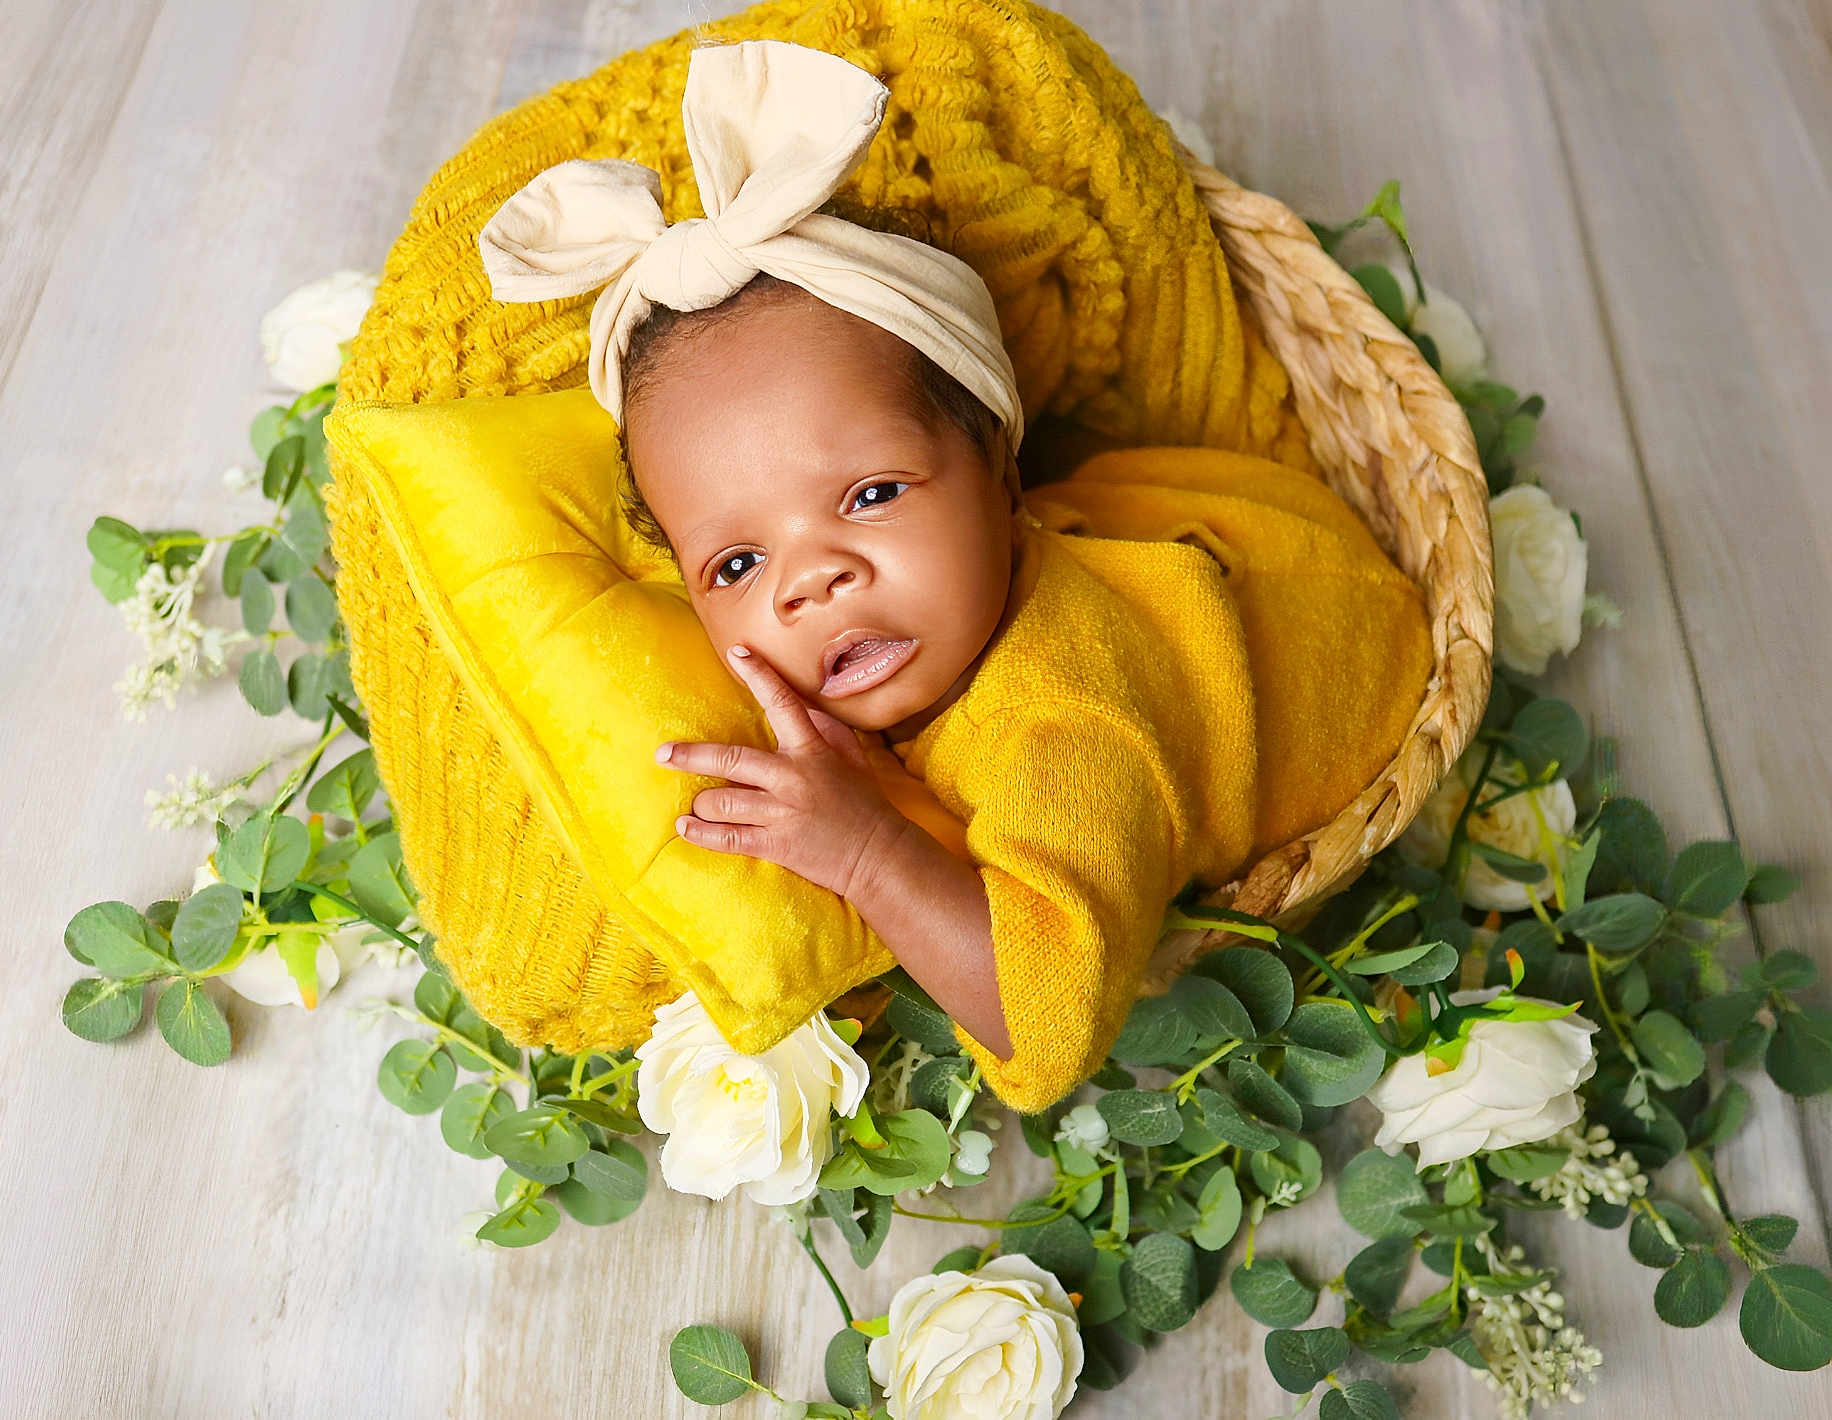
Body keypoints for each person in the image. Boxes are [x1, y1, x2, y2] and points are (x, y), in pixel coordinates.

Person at [479, 37, 1432, 1112]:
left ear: (1000, 465)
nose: (816, 578)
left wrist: (875, 854)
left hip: (1325, 626)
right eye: (740, 561)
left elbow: (1045, 1025)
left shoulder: (1063, 731)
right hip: (1173, 544)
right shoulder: (947, 593)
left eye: (871, 494)